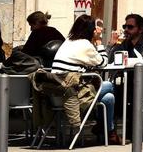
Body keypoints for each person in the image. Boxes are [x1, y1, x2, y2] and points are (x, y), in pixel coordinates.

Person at [51, 14, 119, 145]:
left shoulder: (68, 41)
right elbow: (103, 63)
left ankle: (108, 131)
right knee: (109, 86)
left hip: (57, 94)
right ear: (90, 30)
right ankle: (107, 130)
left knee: (108, 98)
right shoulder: (85, 44)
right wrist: (99, 42)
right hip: (73, 94)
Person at [109, 13, 143, 103]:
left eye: (130, 27)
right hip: (130, 83)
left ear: (141, 29)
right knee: (109, 93)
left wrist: (126, 61)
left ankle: (129, 116)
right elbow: (111, 61)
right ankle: (115, 117)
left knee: (127, 95)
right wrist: (111, 46)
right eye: (124, 26)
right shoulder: (126, 42)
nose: (126, 30)